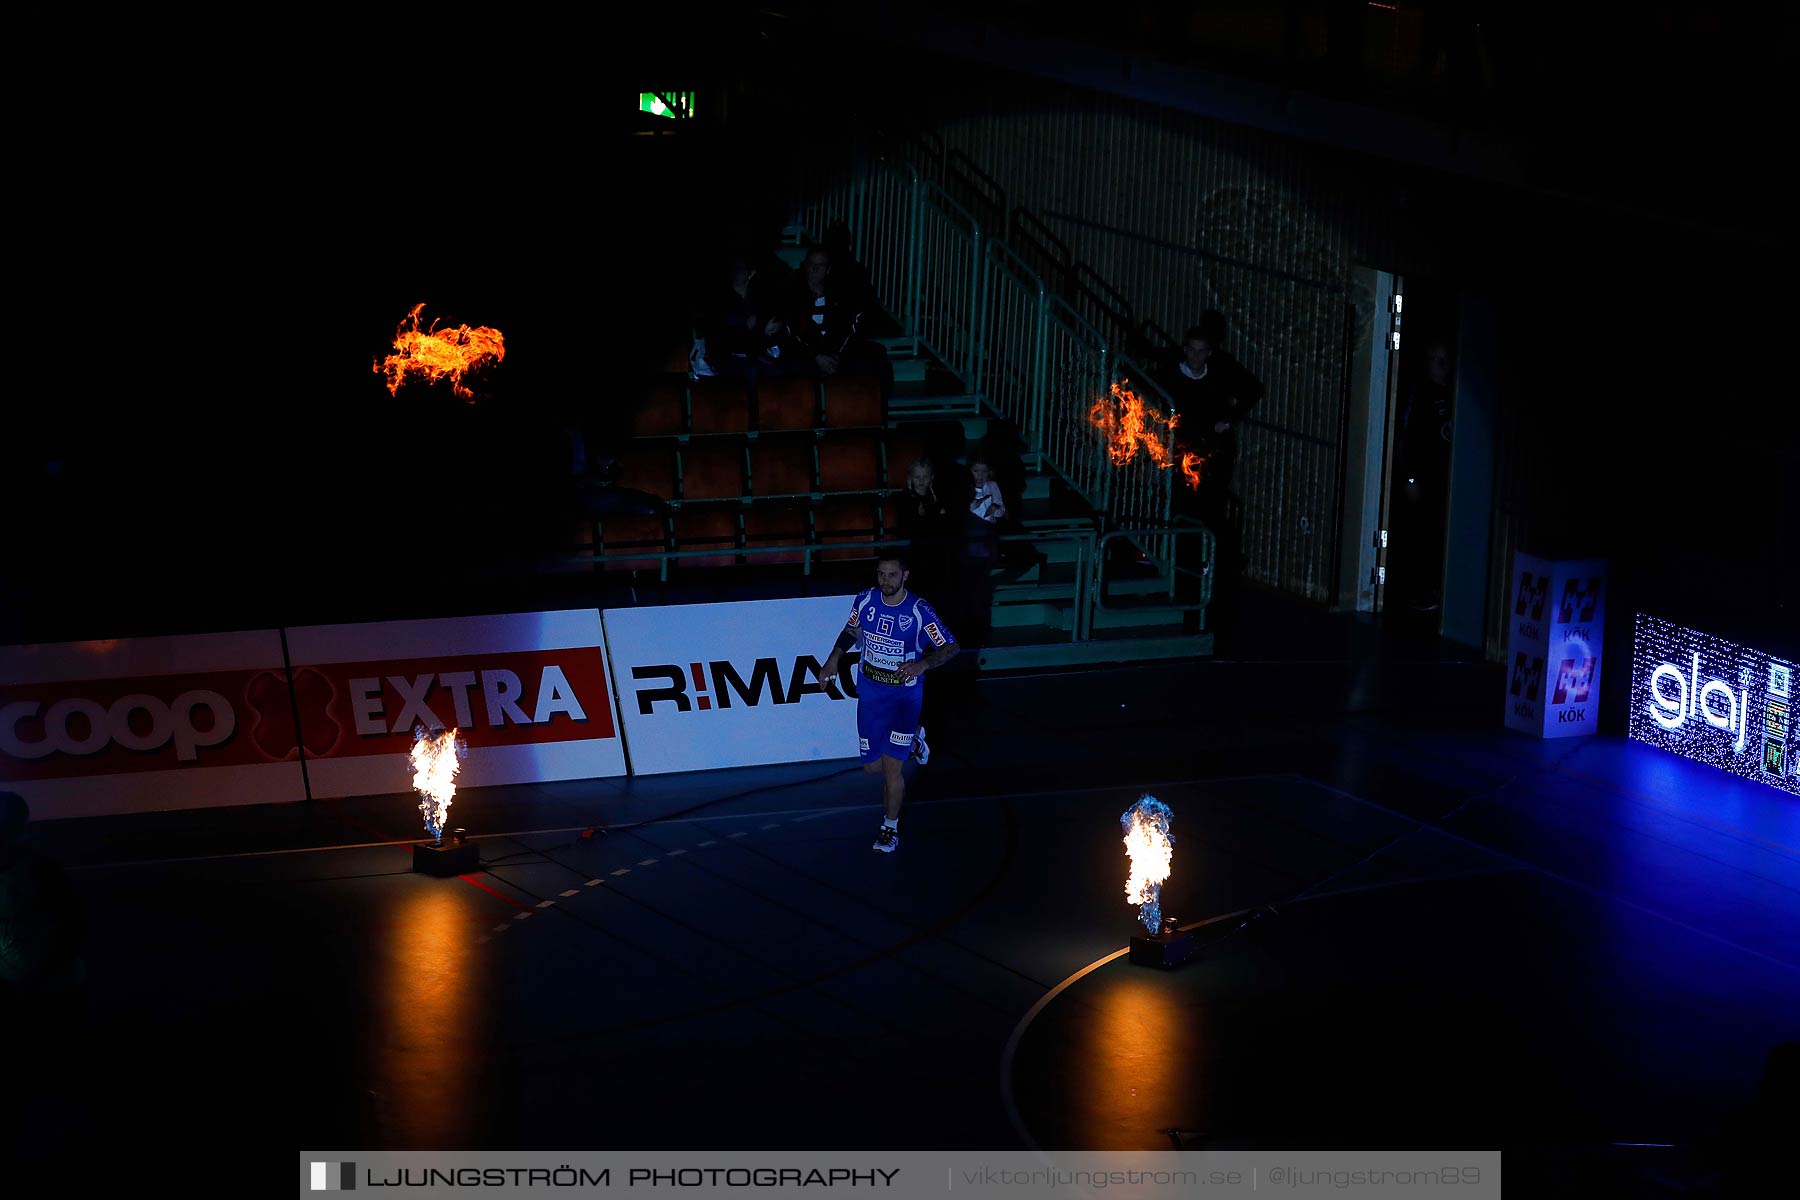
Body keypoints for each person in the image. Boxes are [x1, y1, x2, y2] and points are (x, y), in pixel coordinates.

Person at [820, 556, 959, 853]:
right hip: (871, 693)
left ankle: (889, 828)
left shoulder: (919, 611)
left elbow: (950, 646)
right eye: (881, 574)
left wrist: (923, 663)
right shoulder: (866, 599)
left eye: (892, 575)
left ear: (905, 576)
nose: (885, 580)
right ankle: (915, 743)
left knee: (891, 770)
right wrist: (834, 658)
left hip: (903, 698)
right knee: (872, 767)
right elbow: (852, 630)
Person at [768, 247, 870, 378]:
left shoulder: (840, 296)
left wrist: (836, 355)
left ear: (828, 269)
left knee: (868, 362)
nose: (814, 269)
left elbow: (850, 327)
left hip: (834, 352)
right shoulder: (791, 294)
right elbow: (791, 331)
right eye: (811, 264)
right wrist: (815, 356)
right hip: (803, 355)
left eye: (820, 265)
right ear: (805, 265)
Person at [956, 455, 1007, 651]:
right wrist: (973, 506)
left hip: (986, 541)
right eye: (976, 470)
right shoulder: (964, 487)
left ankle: (981, 631)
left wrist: (994, 508)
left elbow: (1001, 510)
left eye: (984, 471)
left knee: (982, 589)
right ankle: (967, 631)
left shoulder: (993, 486)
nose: (980, 475)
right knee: (969, 588)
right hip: (969, 542)